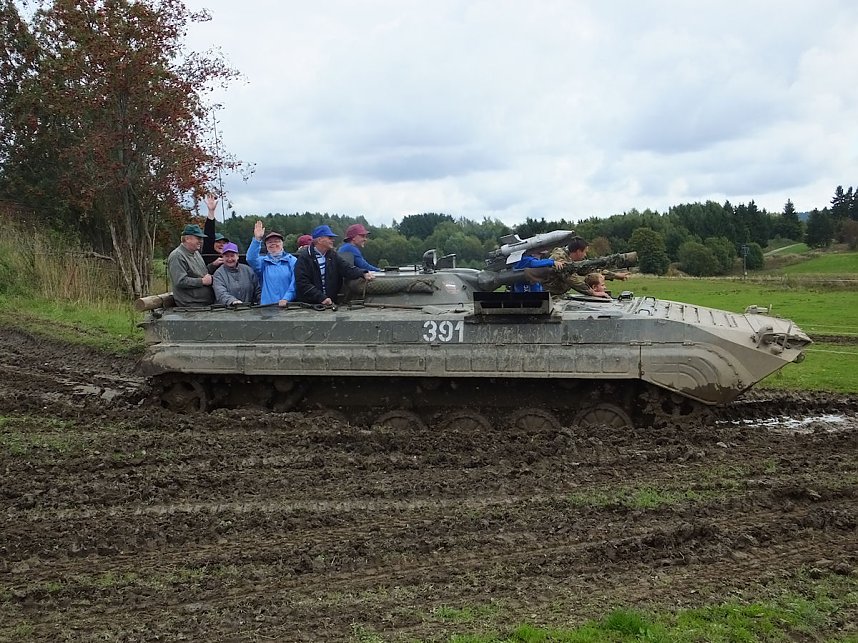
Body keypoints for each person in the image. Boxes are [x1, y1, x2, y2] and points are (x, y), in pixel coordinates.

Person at [295, 224, 375, 305]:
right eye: (329, 238)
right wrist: (321, 298)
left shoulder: (332, 255)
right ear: (319, 240)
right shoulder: (304, 258)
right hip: (309, 306)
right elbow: (302, 283)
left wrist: (363, 273)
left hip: (329, 303)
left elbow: (346, 268)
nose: (333, 240)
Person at [538, 236, 628, 298]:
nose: (585, 255)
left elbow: (590, 270)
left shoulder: (571, 259)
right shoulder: (559, 259)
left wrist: (615, 275)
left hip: (559, 295)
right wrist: (593, 293)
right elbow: (572, 279)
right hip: (549, 297)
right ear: (578, 251)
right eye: (584, 252)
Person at [246, 222, 298, 307]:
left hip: (288, 307)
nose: (273, 244)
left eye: (277, 241)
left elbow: (295, 283)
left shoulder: (292, 261)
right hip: (267, 307)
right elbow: (250, 258)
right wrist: (257, 239)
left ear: (282, 244)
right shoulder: (263, 262)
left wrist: (286, 298)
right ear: (266, 246)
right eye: (269, 242)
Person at [166, 224, 214, 306]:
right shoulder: (177, 256)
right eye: (198, 238)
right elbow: (180, 281)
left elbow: (200, 273)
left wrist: (214, 265)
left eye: (201, 238)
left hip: (204, 303)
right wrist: (202, 281)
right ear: (187, 239)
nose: (201, 241)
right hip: (191, 305)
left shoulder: (196, 253)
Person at [202, 194, 230, 274]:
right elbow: (209, 234)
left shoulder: (231, 258)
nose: (221, 245)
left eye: (224, 243)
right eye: (218, 242)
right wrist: (211, 211)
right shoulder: (208, 252)